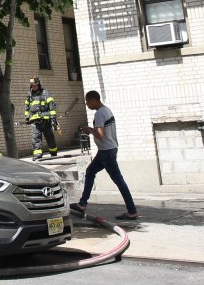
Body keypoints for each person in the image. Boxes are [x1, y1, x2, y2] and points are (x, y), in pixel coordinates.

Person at [70, 90, 139, 221]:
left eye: (87, 101)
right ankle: (82, 204)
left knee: (119, 181)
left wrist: (90, 130)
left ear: (93, 100)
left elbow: (100, 135)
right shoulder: (107, 110)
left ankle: (132, 211)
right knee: (90, 171)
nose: (86, 104)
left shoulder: (100, 113)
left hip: (106, 152)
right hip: (107, 150)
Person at [24, 76, 58, 161]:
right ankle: (37, 154)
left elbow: (52, 106)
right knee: (36, 138)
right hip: (35, 122)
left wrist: (53, 118)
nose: (34, 87)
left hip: (45, 120)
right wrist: (27, 117)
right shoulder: (30, 95)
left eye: (35, 85)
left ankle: (53, 152)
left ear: (39, 85)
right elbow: (27, 107)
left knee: (49, 137)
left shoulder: (45, 93)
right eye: (32, 85)